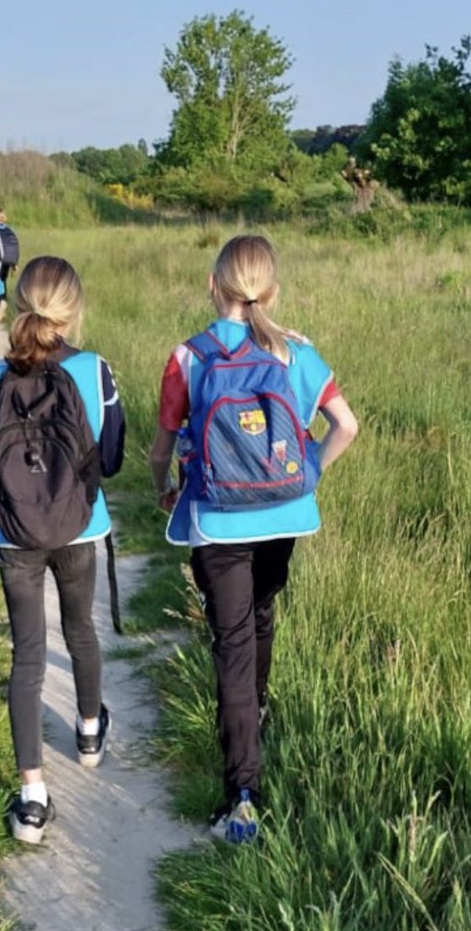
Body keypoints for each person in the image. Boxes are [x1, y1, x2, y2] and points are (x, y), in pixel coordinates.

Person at [149, 235, 359, 844]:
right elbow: (346, 425)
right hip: (285, 513)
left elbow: (164, 444)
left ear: (213, 287)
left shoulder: (189, 356)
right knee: (261, 613)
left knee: (232, 641)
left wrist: (163, 487)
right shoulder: (298, 353)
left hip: (217, 517)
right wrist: (310, 471)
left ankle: (243, 793)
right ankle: (256, 712)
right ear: (273, 291)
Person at [0, 256, 126, 844]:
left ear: (19, 302)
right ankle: (91, 732)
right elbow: (114, 460)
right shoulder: (96, 372)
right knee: (81, 630)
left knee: (28, 656)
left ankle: (31, 799)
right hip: (80, 528)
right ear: (73, 309)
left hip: (14, 537)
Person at [0, 207, 20, 309]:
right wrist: (15, 264)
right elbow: (15, 246)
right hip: (9, 259)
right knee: (3, 280)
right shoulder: (11, 230)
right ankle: (3, 299)